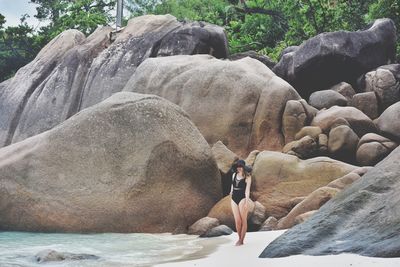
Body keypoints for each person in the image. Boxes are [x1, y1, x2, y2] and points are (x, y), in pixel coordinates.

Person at [230, 159, 252, 246]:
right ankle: (239, 238)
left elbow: (247, 191)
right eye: (237, 167)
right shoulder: (234, 175)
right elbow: (232, 185)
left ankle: (241, 240)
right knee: (237, 221)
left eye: (240, 167)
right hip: (234, 198)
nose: (239, 168)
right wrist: (231, 191)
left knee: (243, 220)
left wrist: (247, 202)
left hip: (242, 198)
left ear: (243, 167)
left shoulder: (248, 177)